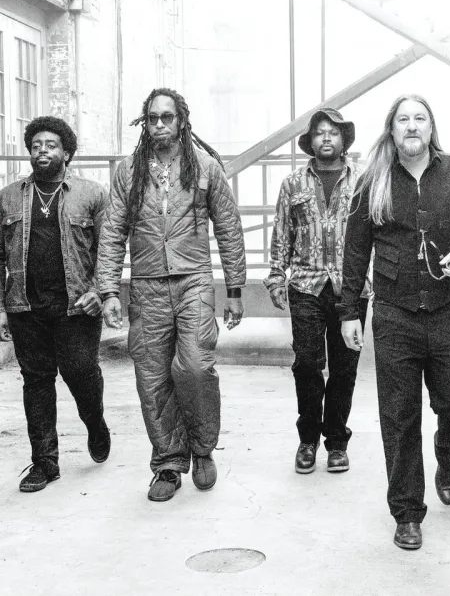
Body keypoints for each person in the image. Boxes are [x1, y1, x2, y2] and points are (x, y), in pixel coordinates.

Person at [338, 94, 450, 551]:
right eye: (403, 119)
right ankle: (406, 512)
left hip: (448, 312)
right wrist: (349, 311)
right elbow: (355, 250)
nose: (411, 126)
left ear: (431, 127)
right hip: (394, 315)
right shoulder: (373, 181)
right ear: (391, 129)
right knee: (399, 416)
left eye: (419, 118)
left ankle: (448, 456)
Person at [96, 88, 246, 502]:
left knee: (195, 367)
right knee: (152, 376)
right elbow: (112, 231)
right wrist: (109, 290)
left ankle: (202, 448)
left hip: (193, 279)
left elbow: (229, 227)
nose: (159, 124)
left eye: (167, 116)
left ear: (182, 120)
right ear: (145, 123)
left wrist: (234, 290)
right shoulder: (129, 171)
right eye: (152, 118)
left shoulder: (205, 166)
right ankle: (167, 461)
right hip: (146, 284)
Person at [1, 117, 109, 492]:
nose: (42, 150)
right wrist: (2, 308)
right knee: (36, 381)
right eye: (36, 145)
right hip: (26, 307)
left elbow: (109, 250)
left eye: (50, 145)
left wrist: (100, 290)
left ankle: (95, 423)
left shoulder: (91, 194)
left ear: (66, 152)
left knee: (80, 372)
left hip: (78, 306)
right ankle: (45, 463)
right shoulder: (8, 197)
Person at [265, 108, 370, 475]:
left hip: (351, 289)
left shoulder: (364, 180)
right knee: (307, 365)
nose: (326, 138)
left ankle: (337, 443)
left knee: (344, 368)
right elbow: (282, 232)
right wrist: (276, 276)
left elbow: (375, 232)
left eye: (333, 132)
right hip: (306, 287)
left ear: (344, 140)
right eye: (319, 133)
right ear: (310, 141)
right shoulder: (293, 183)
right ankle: (307, 439)